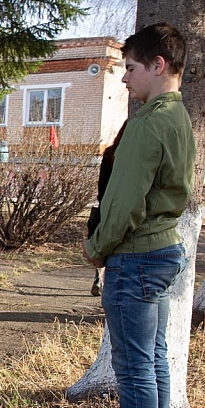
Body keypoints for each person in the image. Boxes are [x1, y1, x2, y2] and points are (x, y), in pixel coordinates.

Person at [79, 22, 195, 408]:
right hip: (163, 248)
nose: (125, 79)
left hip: (138, 253)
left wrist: (97, 247)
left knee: (133, 367)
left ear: (157, 65)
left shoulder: (147, 123)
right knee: (154, 360)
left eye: (129, 68)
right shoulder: (178, 117)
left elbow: (123, 203)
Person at [87, 121, 128, 297]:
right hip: (124, 210)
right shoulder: (132, 157)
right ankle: (109, 283)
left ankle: (99, 277)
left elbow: (102, 188)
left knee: (103, 248)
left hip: (106, 208)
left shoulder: (110, 154)